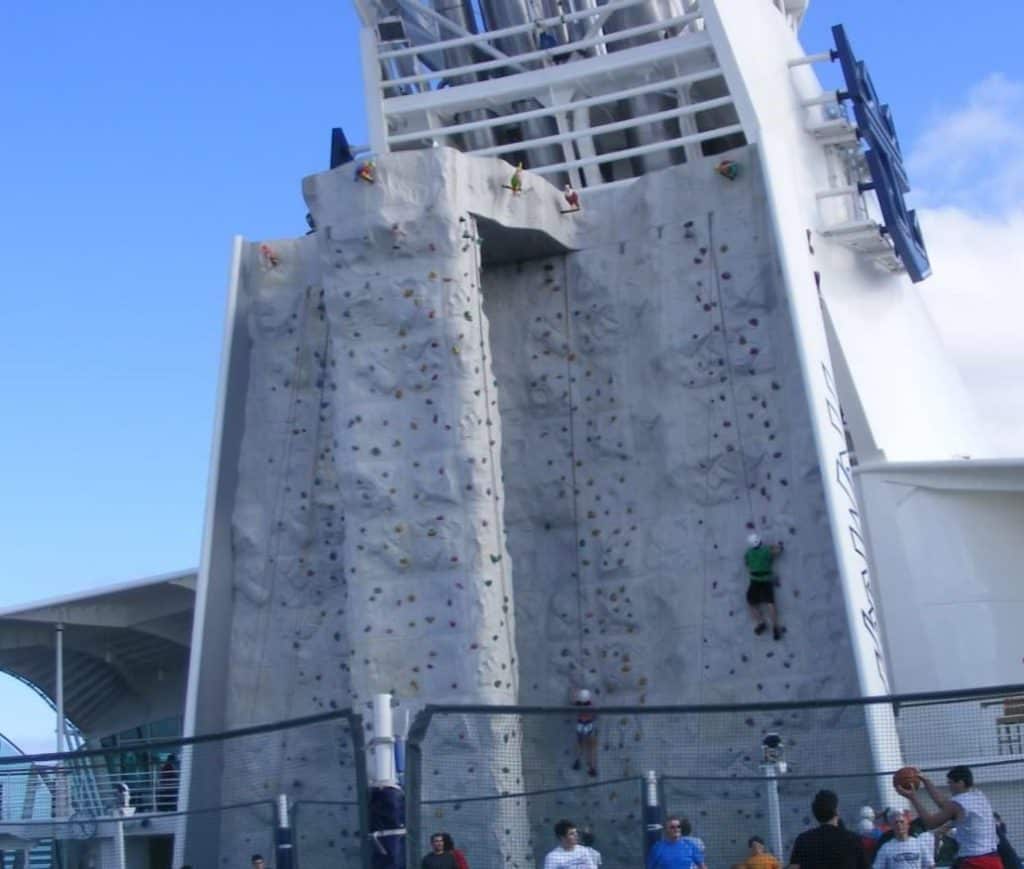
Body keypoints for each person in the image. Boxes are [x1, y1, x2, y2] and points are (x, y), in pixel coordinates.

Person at [897, 765, 1000, 869]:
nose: (949, 786)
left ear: (960, 783)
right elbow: (944, 804)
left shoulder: (958, 804)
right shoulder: (979, 796)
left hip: (974, 861)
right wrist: (926, 781)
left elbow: (930, 823)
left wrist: (913, 798)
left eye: (950, 783)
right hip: (993, 859)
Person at [786, 789, 868, 869]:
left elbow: (794, 866)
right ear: (836, 811)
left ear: (815, 814)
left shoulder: (803, 840)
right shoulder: (853, 840)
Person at [744, 533, 786, 640]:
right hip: (766, 580)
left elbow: (746, 563)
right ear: (760, 541)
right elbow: (779, 550)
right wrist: (774, 546)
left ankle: (761, 622)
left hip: (754, 581)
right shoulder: (767, 551)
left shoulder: (748, 553)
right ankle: (775, 627)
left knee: (751, 603)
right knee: (770, 604)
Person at [572, 688, 598, 777]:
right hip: (588, 725)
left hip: (580, 725)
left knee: (580, 744)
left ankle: (578, 760)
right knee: (590, 747)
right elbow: (594, 715)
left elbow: (574, 700)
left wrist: (574, 692)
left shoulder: (578, 704)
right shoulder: (591, 706)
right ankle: (591, 767)